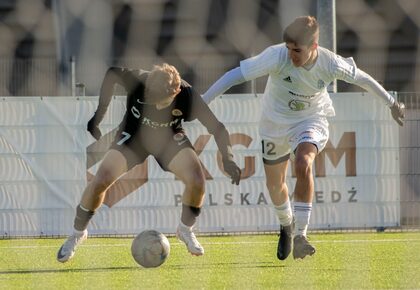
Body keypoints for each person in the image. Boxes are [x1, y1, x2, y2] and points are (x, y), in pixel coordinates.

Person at [202, 16, 405, 260]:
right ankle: (286, 225)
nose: (291, 55)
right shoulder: (276, 56)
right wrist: (202, 102)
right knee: (275, 186)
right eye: (288, 49)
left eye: (297, 50)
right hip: (274, 124)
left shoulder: (330, 63)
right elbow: (235, 75)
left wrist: (392, 103)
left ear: (314, 47)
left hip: (311, 119)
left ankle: (301, 235)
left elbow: (361, 77)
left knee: (302, 163)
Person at [57, 63, 241, 263]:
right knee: (101, 180)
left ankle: (185, 230)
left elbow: (218, 129)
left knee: (197, 180)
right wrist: (98, 116)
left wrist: (228, 158)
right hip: (134, 136)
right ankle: (78, 233)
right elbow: (111, 74)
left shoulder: (188, 97)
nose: (157, 106)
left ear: (176, 91)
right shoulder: (138, 80)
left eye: (163, 102)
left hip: (169, 139)